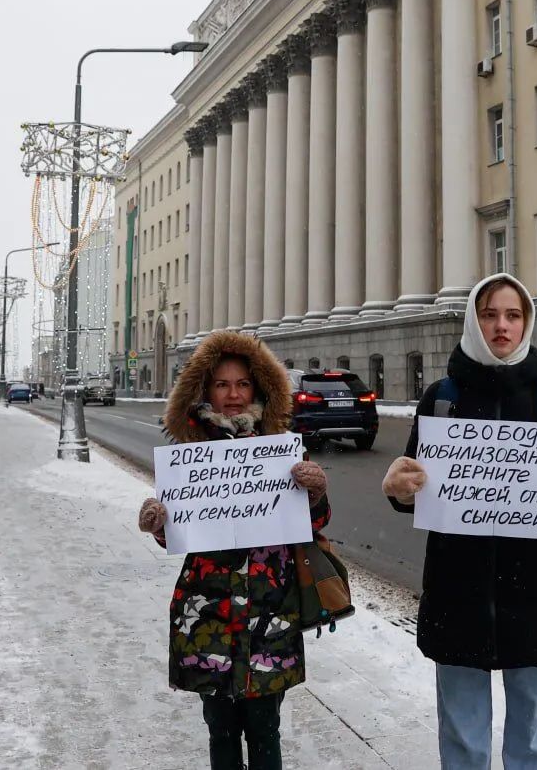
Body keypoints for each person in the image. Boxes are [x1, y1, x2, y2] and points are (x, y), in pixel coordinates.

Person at [382, 273, 537, 770]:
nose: (501, 325)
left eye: (513, 315)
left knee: (533, 736)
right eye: (489, 314)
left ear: (527, 322)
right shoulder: (441, 399)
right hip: (457, 593)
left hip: (532, 594)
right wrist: (399, 490)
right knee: (463, 736)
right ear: (473, 320)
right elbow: (417, 491)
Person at [137, 330, 330, 770]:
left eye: (242, 384)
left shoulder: (280, 446)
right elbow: (179, 534)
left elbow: (311, 525)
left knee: (265, 728)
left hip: (270, 612)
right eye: (222, 384)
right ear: (206, 390)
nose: (233, 395)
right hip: (209, 613)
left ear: (258, 389)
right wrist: (157, 522)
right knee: (220, 728)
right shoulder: (191, 452)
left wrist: (315, 493)